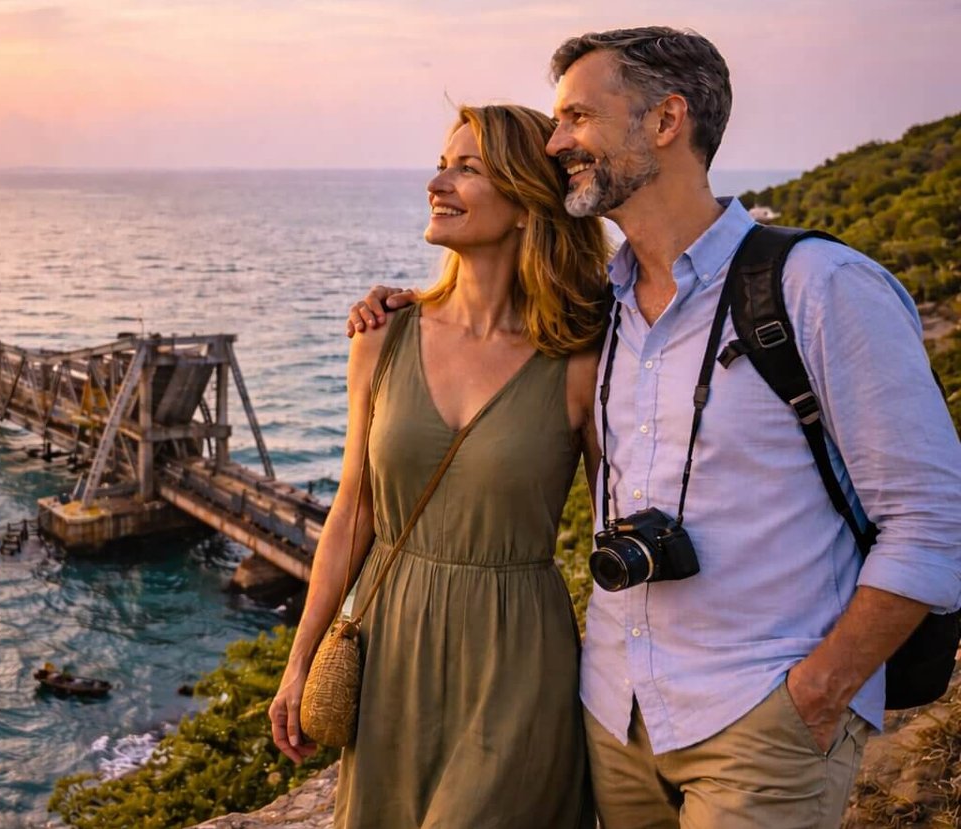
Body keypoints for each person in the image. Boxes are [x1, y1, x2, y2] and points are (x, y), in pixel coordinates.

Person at [348, 26, 961, 829]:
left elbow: (935, 518)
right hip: (614, 716)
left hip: (761, 717)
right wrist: (403, 307)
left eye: (576, 118)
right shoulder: (595, 314)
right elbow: (487, 334)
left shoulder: (821, 286)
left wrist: (822, 688)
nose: (555, 141)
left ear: (666, 120)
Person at [267, 103, 611, 828]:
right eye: (440, 163)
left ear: (525, 203)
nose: (437, 182)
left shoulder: (580, 358)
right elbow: (352, 512)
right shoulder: (383, 335)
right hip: (389, 648)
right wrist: (299, 662)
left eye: (467, 169)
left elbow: (620, 514)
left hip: (516, 658)